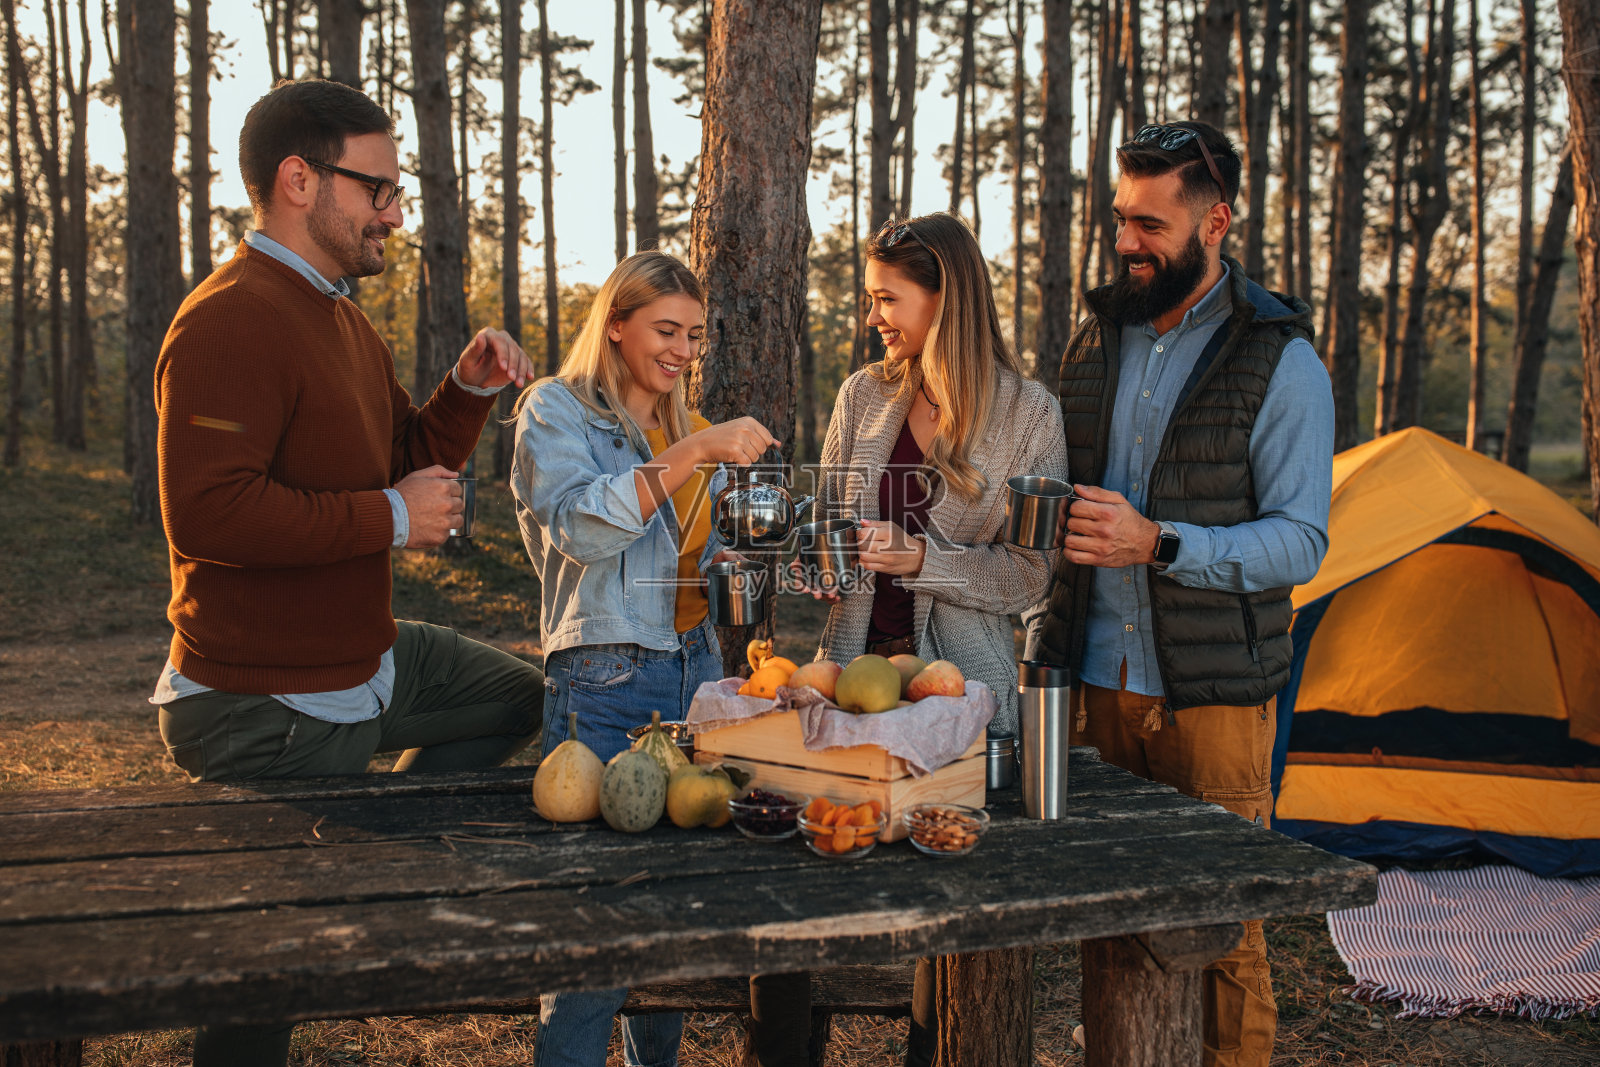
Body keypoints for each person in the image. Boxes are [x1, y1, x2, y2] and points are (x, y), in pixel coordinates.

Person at [151, 79, 546, 1066]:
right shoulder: (230, 318)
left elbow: (404, 450)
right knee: (266, 982)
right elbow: (208, 511)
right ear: (299, 180)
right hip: (262, 698)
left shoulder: (339, 317)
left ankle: (372, 858)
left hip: (357, 658)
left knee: (516, 697)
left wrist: (464, 392)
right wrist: (387, 517)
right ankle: (351, 882)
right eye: (376, 188)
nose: (395, 213)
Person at [1028, 120, 1334, 1067]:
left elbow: (1302, 541)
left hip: (1212, 698)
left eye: (1151, 224)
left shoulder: (1280, 359)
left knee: (1225, 933)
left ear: (1217, 222)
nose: (1127, 242)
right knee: (1108, 917)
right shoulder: (1092, 344)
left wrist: (1158, 542)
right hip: (1096, 684)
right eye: (1122, 218)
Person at [748, 211, 1068, 1067]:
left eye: (888, 297)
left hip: (958, 692)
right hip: (851, 677)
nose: (874, 316)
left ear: (945, 297)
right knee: (804, 861)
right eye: (870, 298)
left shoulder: (1029, 413)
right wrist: (820, 556)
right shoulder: (863, 396)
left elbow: (1033, 574)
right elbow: (831, 532)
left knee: (947, 898)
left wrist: (926, 557)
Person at [511, 251, 777, 1067]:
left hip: (693, 667)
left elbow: (676, 558)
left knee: (670, 916)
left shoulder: (671, 420)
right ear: (616, 324)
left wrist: (728, 564)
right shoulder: (553, 411)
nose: (683, 350)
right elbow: (584, 528)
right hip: (607, 680)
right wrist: (695, 451)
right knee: (595, 931)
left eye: (695, 335)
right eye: (667, 330)